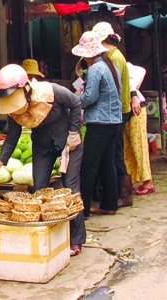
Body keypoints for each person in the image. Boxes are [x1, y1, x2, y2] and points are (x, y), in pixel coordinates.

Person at [0, 64, 86, 257]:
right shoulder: (13, 109)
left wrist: (74, 133)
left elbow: (75, 103)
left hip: (68, 143)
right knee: (39, 189)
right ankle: (49, 235)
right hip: (41, 146)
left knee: (71, 190)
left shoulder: (52, 91)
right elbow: (13, 136)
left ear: (25, 88)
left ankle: (76, 239)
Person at [72, 31, 122, 217]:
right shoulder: (110, 66)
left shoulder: (95, 69)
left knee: (89, 166)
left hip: (99, 122)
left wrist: (75, 99)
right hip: (113, 121)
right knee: (107, 164)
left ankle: (82, 210)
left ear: (87, 53)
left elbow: (90, 97)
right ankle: (110, 204)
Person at [92, 22, 138, 208]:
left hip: (118, 111)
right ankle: (117, 192)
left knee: (116, 153)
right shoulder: (112, 55)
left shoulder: (115, 58)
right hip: (117, 110)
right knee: (114, 152)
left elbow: (115, 90)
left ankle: (125, 194)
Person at [124, 62, 155, 195]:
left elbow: (139, 72)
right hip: (125, 110)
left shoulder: (129, 70)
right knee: (127, 147)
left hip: (136, 110)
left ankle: (148, 181)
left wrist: (133, 96)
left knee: (139, 146)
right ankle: (131, 179)